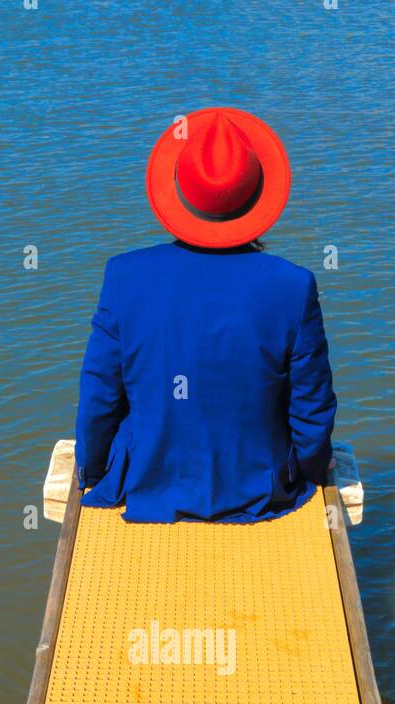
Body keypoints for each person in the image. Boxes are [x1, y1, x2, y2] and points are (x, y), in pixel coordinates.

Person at [75, 107, 337, 524]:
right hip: (260, 490)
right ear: (258, 194)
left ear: (179, 191)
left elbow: (100, 396)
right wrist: (311, 471)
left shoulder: (124, 276)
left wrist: (91, 471)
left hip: (147, 486)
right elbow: (311, 410)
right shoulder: (292, 285)